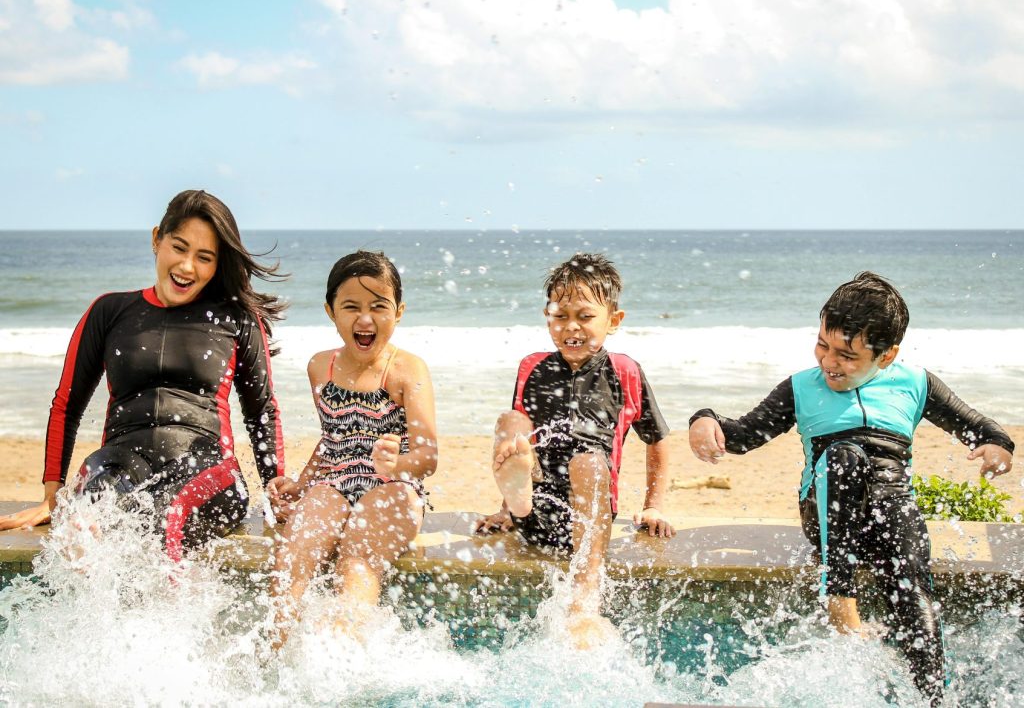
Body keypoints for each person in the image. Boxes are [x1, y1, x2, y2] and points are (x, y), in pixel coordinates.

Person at [688, 271, 1015, 705]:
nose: (829, 362)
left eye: (847, 355)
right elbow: (745, 434)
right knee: (845, 457)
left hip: (891, 512)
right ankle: (840, 600)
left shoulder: (915, 383)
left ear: (887, 355)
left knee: (910, 575)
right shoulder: (802, 387)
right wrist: (705, 418)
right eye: (823, 345)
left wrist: (997, 446)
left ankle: (934, 695)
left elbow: (977, 425)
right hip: (827, 510)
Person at [0, 190, 287, 561]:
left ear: (217, 265)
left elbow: (261, 411)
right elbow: (67, 405)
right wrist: (52, 497)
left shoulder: (236, 320)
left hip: (207, 468)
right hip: (119, 461)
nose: (187, 267)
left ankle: (170, 619)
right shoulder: (109, 311)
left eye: (204, 258)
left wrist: (277, 493)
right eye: (179, 248)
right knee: (84, 523)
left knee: (163, 522)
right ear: (157, 239)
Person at [475, 252, 674, 648]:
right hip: (537, 511)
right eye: (560, 315)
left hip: (591, 519)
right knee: (510, 423)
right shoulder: (532, 366)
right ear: (546, 316)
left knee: (586, 459)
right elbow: (519, 446)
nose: (571, 327)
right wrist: (504, 510)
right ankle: (515, 503)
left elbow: (658, 440)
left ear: (613, 321)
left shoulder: (624, 371)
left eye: (585, 316)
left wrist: (654, 504)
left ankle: (586, 593)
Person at [267, 250, 437, 645]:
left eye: (379, 306)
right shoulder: (319, 367)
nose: (365, 318)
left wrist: (397, 465)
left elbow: (428, 458)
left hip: (394, 489)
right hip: (334, 482)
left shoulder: (407, 369)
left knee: (357, 559)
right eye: (351, 307)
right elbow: (332, 439)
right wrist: (302, 482)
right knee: (294, 551)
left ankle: (346, 653)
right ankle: (275, 652)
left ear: (398, 312)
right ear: (330, 311)